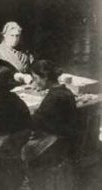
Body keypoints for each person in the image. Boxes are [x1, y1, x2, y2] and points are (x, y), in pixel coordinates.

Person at [22, 60, 77, 190]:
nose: (34, 83)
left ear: (45, 78)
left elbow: (35, 121)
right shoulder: (65, 91)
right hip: (65, 139)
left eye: (35, 78)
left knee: (20, 147)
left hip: (56, 143)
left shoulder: (53, 98)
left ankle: (30, 184)